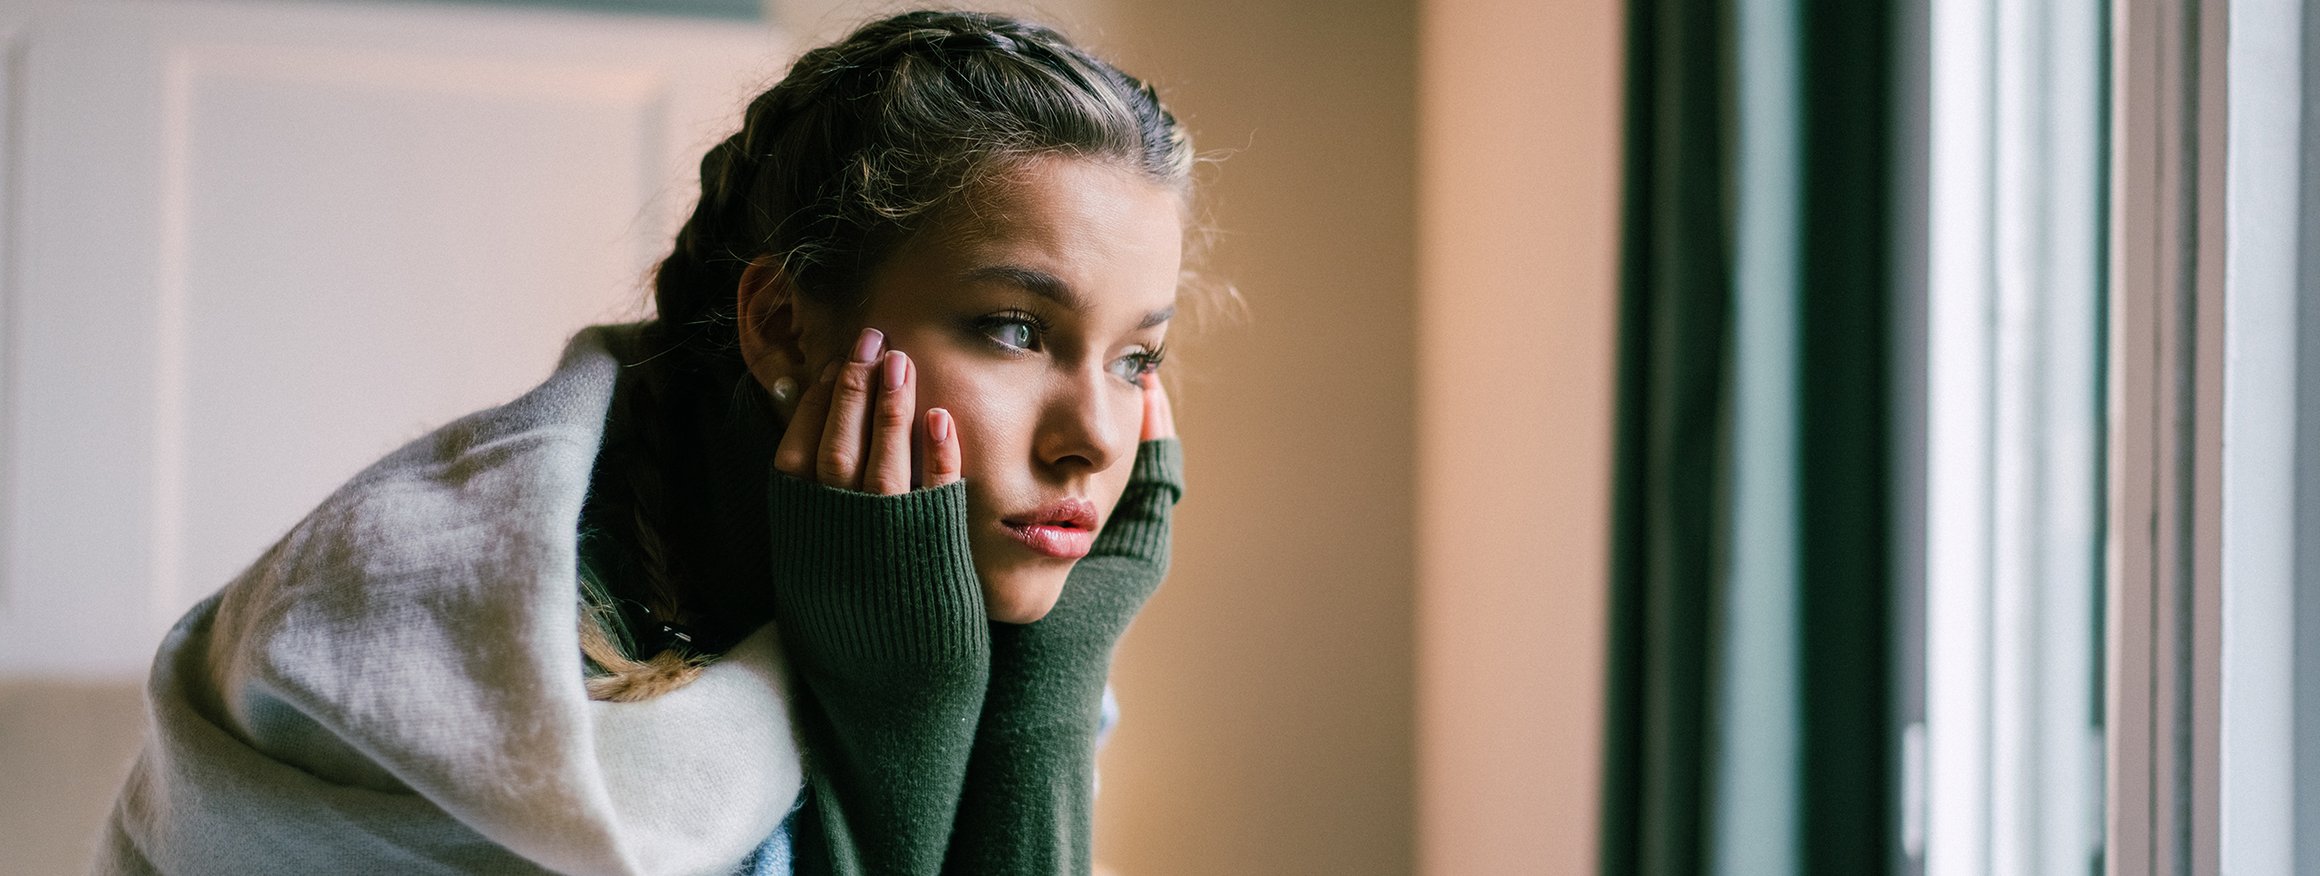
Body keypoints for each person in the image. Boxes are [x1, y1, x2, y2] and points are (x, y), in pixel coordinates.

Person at [95, 10, 1197, 875]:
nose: (1093, 441)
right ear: (781, 324)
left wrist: (1048, 681)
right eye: (1014, 329)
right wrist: (898, 717)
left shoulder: (964, 614)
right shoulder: (429, 626)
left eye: (1135, 360)